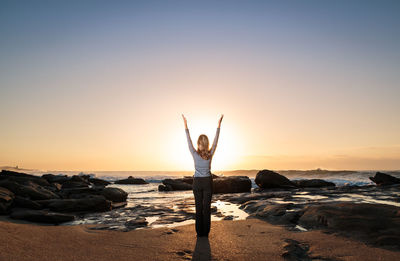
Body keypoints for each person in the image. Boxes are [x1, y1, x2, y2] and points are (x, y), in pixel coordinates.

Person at [182, 114, 223, 237]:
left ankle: (199, 232)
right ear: (207, 144)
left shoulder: (194, 153)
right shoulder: (210, 154)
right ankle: (206, 232)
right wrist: (218, 125)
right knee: (206, 209)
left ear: (199, 144)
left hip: (197, 183)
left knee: (198, 208)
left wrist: (185, 125)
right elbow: (216, 140)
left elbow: (188, 140)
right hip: (207, 183)